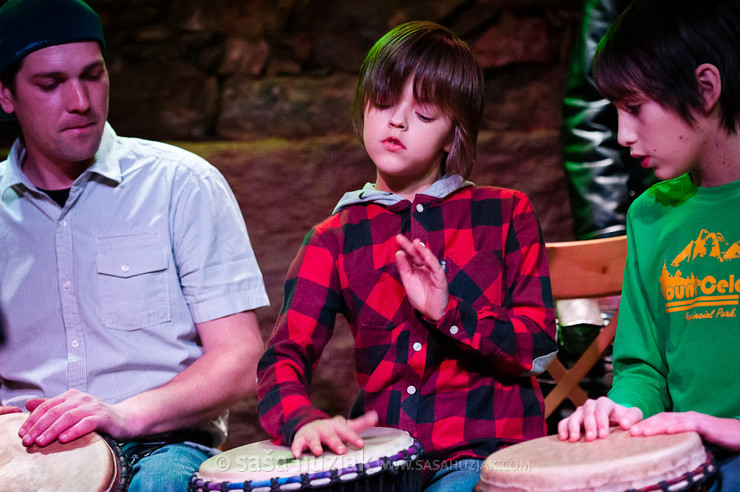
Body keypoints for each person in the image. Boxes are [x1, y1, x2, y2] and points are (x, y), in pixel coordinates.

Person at [257, 21, 558, 491]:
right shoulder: (334, 236)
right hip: (384, 463)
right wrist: (302, 421)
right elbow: (282, 358)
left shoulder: (504, 213)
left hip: (485, 457)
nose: (395, 121)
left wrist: (448, 313)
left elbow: (539, 348)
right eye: (383, 103)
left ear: (452, 133)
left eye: (422, 113)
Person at [0, 0, 269, 490]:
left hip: (161, 443)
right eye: (51, 84)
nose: (80, 100)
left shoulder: (181, 184)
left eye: (93, 75)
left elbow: (242, 358)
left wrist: (123, 415)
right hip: (23, 448)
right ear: (5, 95)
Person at [558, 0, 740, 488]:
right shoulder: (649, 214)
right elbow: (643, 366)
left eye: (634, 108)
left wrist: (720, 427)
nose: (621, 134)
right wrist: (621, 407)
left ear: (705, 88)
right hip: (687, 462)